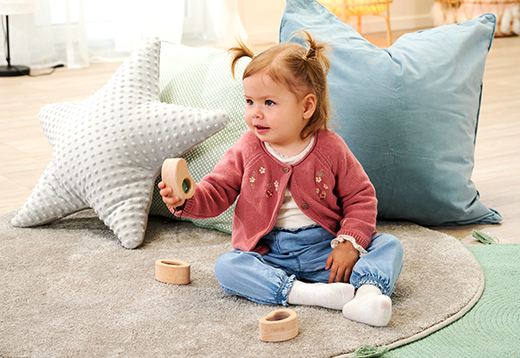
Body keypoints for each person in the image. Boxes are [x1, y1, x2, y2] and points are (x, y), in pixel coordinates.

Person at [158, 31, 403, 327]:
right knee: (227, 267)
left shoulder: (331, 147)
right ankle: (309, 294)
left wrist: (349, 244)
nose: (255, 113)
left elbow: (360, 197)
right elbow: (218, 190)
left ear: (306, 107)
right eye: (249, 101)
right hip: (270, 253)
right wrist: (186, 198)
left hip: (326, 250)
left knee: (388, 245)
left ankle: (366, 294)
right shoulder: (247, 147)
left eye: (269, 103)